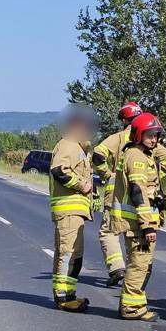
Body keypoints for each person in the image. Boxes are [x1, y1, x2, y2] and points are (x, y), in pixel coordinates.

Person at [92, 102, 166, 286]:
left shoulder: (118, 137)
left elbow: (98, 155)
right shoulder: (150, 137)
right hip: (142, 196)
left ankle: (117, 268)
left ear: (123, 119)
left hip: (116, 190)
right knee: (138, 242)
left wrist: (108, 175)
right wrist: (153, 178)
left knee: (109, 230)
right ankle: (135, 279)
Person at [111, 113, 166, 321]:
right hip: (139, 224)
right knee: (139, 264)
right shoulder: (136, 156)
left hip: (139, 222)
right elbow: (138, 191)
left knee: (141, 263)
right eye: (149, 135)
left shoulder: (143, 153)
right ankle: (131, 309)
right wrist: (147, 226)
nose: (154, 139)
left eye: (156, 135)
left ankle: (132, 304)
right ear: (137, 134)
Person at [49, 104, 98, 312]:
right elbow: (59, 171)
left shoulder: (78, 147)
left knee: (73, 255)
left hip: (75, 212)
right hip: (68, 211)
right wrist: (83, 185)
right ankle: (63, 297)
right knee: (68, 254)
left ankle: (68, 294)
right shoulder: (69, 145)